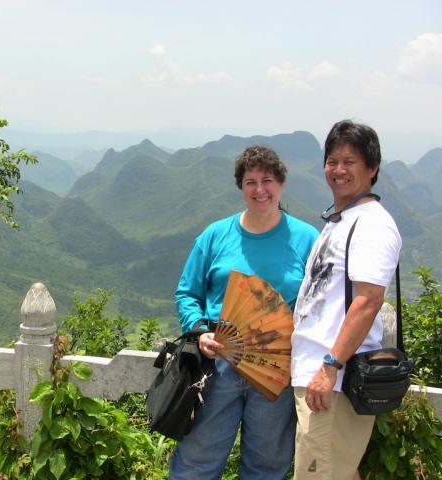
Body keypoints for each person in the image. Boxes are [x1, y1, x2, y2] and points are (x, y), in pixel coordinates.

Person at [169, 145, 319, 480]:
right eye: (251, 182)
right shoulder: (215, 235)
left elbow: (321, 303)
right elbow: (187, 292)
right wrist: (199, 330)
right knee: (196, 461)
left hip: (277, 367)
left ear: (281, 184)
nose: (260, 190)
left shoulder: (307, 239)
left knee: (266, 466)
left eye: (267, 181)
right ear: (241, 187)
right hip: (217, 363)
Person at [291, 120, 402, 480]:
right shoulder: (339, 221)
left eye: (350, 161)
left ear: (372, 169)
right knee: (336, 471)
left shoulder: (371, 224)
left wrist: (329, 367)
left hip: (333, 380)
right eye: (332, 161)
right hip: (320, 378)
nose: (339, 170)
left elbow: (368, 302)